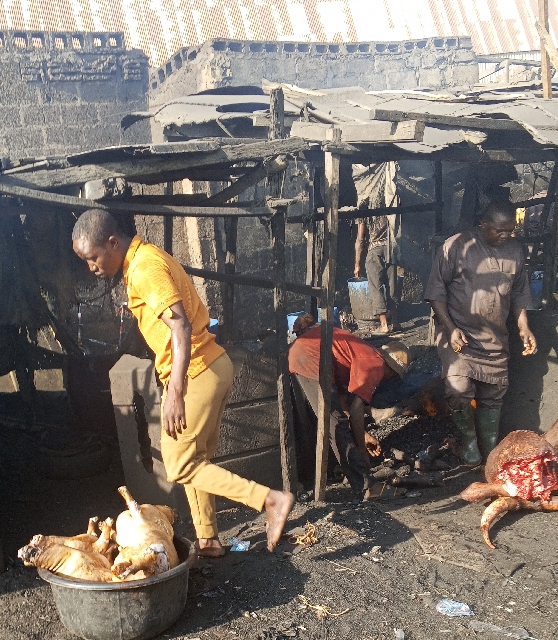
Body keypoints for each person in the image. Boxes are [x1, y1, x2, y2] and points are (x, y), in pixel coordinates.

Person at [72, 209, 294, 556]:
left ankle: (269, 500)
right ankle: (208, 540)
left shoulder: (144, 267)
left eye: (93, 258)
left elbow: (180, 326)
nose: (91, 267)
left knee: (179, 465)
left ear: (112, 243)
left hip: (195, 373)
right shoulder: (143, 260)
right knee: (196, 460)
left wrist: (174, 391)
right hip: (210, 367)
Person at [425, 200, 537, 465]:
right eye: (500, 230)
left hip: (495, 337)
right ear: (483, 223)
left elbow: (520, 293)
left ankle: (490, 453)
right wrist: (450, 329)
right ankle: (470, 446)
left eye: (510, 230)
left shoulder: (515, 251)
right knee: (458, 388)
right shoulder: (456, 246)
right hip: (458, 335)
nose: (506, 235)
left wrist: (524, 327)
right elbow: (436, 292)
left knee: (493, 396)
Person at [288, 315, 410, 500]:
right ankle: (367, 486)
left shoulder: (364, 355)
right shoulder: (375, 364)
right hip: (310, 357)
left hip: (301, 354)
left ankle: (335, 469)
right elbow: (355, 411)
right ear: (391, 369)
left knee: (329, 420)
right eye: (393, 376)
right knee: (336, 424)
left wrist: (364, 436)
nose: (389, 380)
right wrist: (361, 451)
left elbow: (343, 402)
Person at [354, 217, 397, 334]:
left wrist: (357, 264)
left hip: (375, 251)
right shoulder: (388, 208)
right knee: (392, 285)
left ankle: (384, 325)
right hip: (391, 249)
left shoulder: (365, 211)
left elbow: (360, 239)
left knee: (375, 288)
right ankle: (395, 322)